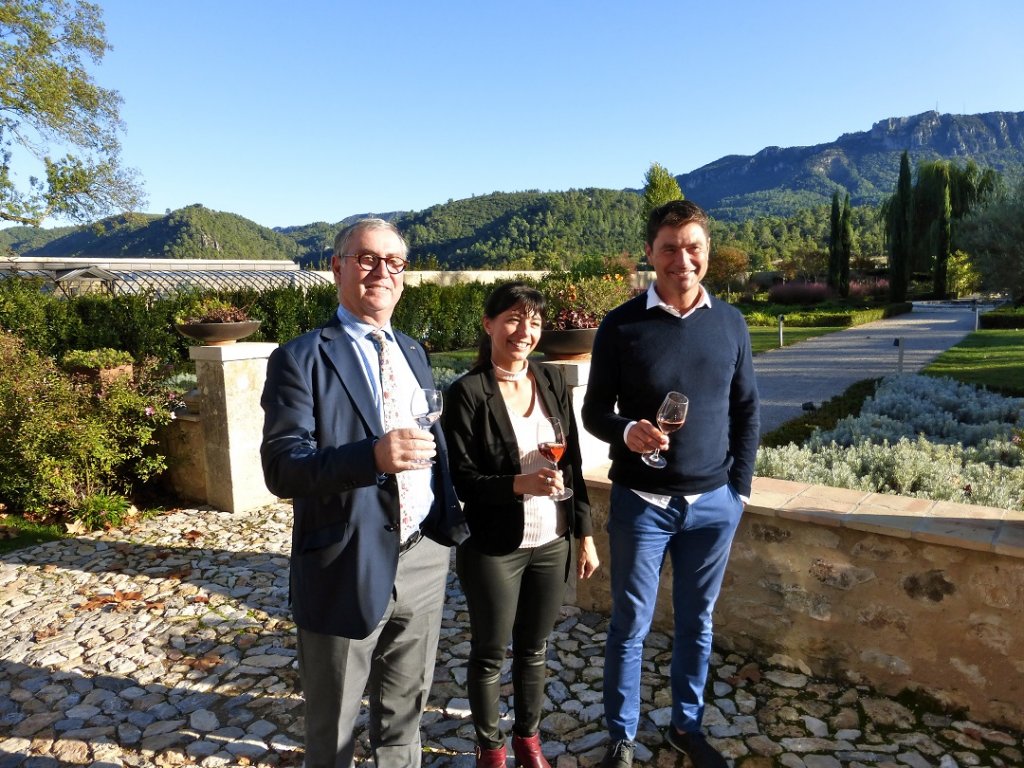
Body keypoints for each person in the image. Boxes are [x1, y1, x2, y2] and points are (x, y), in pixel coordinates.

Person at [260, 218, 467, 768]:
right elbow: (282, 468)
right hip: (344, 560)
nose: (382, 272)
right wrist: (370, 457)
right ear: (338, 267)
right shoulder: (301, 358)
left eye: (394, 262)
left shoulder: (413, 350)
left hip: (423, 555)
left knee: (404, 716)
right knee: (333, 728)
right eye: (367, 259)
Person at [581, 200, 760, 768]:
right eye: (669, 248)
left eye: (693, 247)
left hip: (713, 506)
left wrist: (740, 491)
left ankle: (687, 725)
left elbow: (747, 410)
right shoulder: (621, 324)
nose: (682, 259)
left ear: (706, 252)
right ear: (650, 253)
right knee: (630, 624)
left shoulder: (731, 323)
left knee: (697, 622)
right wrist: (626, 429)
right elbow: (592, 412)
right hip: (641, 503)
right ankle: (621, 735)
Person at [443, 282, 600, 768]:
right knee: (490, 652)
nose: (523, 331)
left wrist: (585, 535)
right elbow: (461, 480)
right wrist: (519, 484)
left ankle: (529, 741)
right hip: (494, 547)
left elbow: (569, 465)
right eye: (512, 318)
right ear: (489, 324)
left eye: (533, 322)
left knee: (535, 648)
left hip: (551, 543)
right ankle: (491, 748)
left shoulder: (551, 382)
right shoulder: (466, 393)